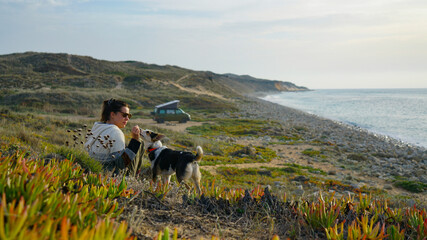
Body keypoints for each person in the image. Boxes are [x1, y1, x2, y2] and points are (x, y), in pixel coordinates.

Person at [84, 98, 141, 171]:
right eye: (124, 115)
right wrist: (135, 140)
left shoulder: (97, 127)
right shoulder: (115, 132)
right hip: (108, 177)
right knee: (139, 142)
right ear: (113, 114)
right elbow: (122, 164)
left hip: (91, 172)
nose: (127, 119)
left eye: (129, 116)